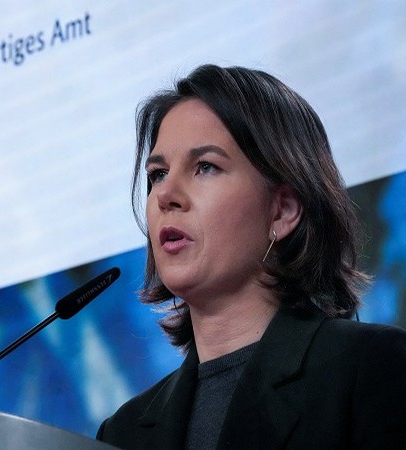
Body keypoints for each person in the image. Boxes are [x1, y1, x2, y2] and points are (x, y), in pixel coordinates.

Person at [96, 64, 406, 449]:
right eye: (158, 174)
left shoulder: (371, 369)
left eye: (205, 167)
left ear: (282, 211)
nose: (164, 195)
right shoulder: (122, 433)